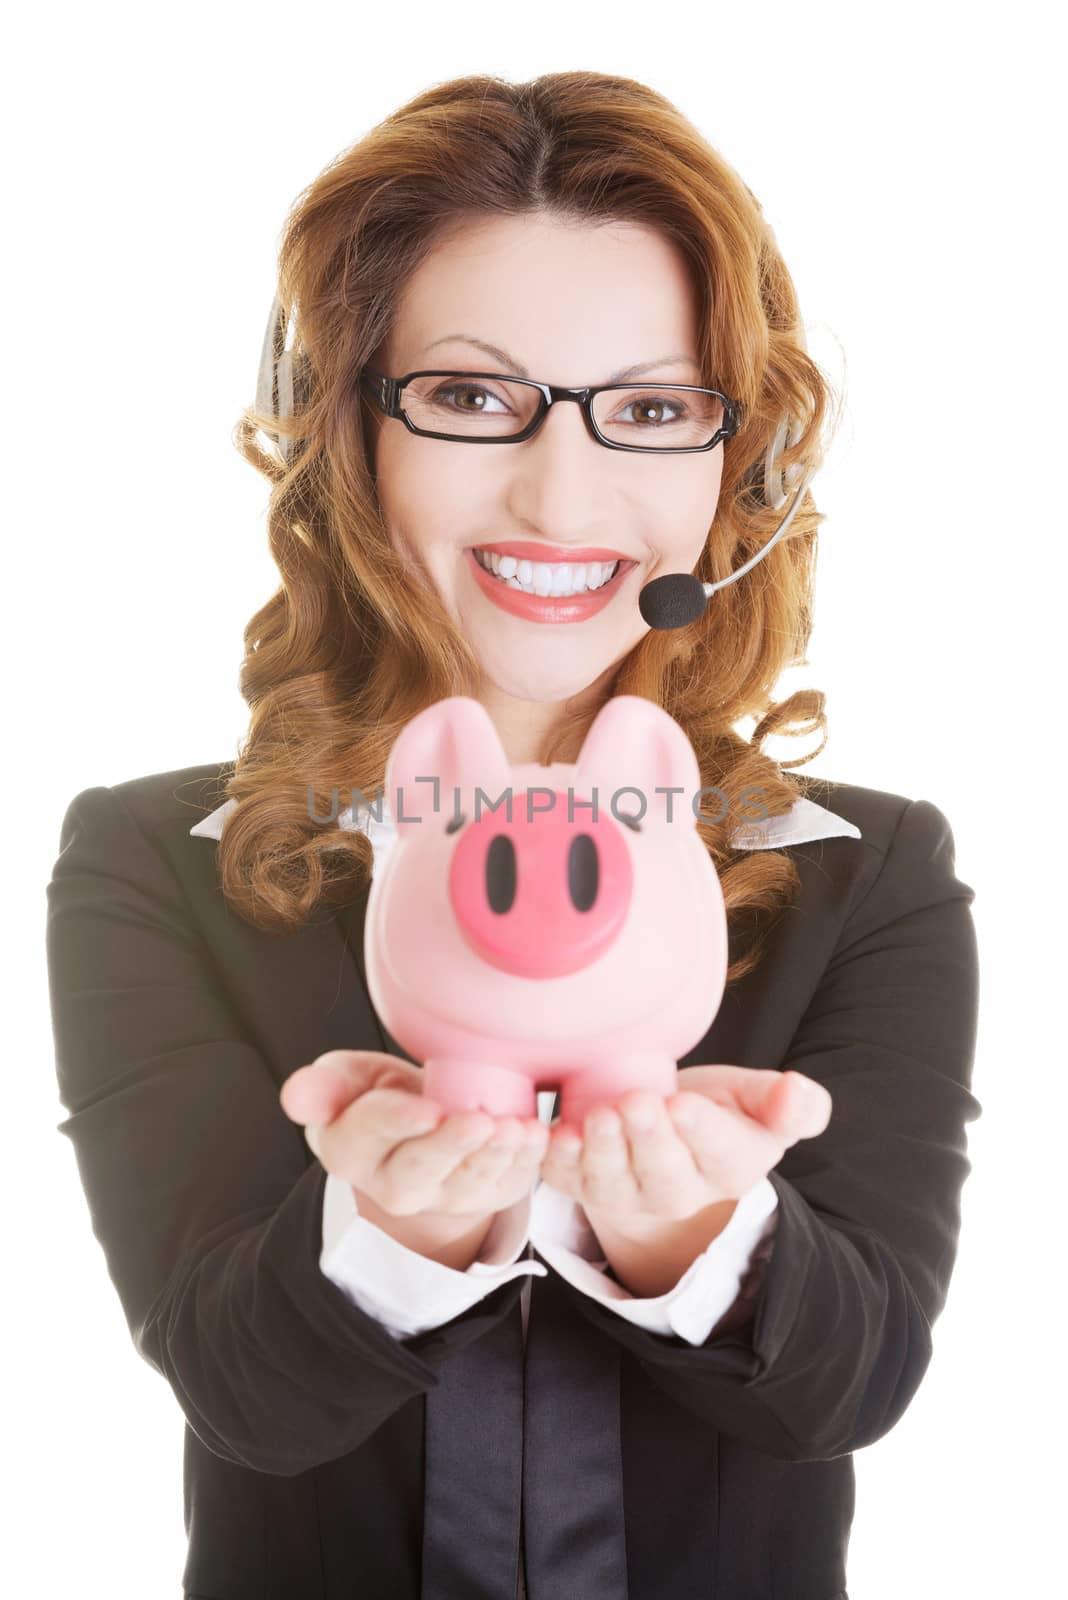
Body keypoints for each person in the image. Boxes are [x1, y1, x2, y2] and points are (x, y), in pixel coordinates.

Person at [45, 69, 981, 1600]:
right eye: (475, 398)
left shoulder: (862, 873)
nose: (564, 492)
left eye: (654, 408)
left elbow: (849, 1386)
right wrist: (398, 1220)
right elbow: (248, 1393)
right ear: (347, 432)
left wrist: (691, 1226)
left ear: (740, 467)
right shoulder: (162, 864)